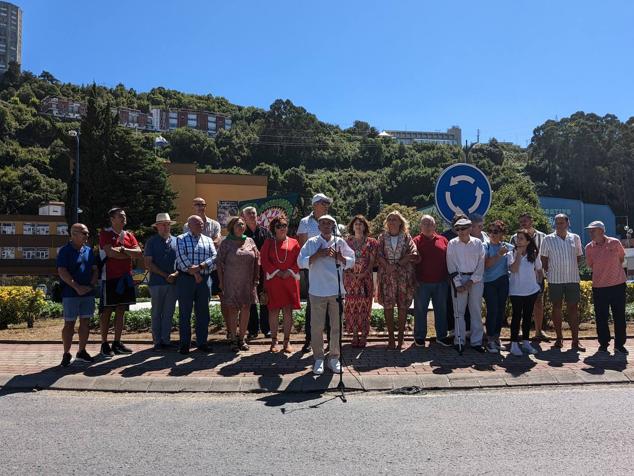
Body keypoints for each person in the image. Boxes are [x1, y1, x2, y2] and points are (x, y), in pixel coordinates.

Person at [298, 214, 355, 375]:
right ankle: (318, 359)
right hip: (316, 291)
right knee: (316, 327)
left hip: (336, 290)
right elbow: (300, 261)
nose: (325, 226)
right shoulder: (312, 242)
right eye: (323, 223)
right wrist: (317, 255)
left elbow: (351, 261)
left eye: (329, 223)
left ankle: (334, 358)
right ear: (318, 227)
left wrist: (339, 256)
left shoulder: (339, 242)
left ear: (333, 226)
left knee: (336, 327)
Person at [98, 207, 142, 357]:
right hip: (109, 277)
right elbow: (109, 253)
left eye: (124, 216)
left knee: (121, 310)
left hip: (125, 278)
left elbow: (138, 253)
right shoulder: (105, 233)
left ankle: (117, 342)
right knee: (107, 311)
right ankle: (104, 343)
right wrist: (127, 253)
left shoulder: (129, 235)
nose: (124, 218)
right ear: (112, 219)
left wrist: (121, 250)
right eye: (120, 216)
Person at [297, 193, 337, 353]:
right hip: (312, 270)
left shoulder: (333, 221)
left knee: (330, 304)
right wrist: (318, 254)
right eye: (323, 202)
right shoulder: (305, 222)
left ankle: (328, 340)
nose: (327, 205)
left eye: (328, 202)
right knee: (312, 306)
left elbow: (337, 242)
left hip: (330, 270)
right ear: (315, 204)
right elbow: (303, 248)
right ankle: (309, 339)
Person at [540, 213, 585, 351]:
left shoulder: (575, 238)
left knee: (573, 308)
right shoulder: (548, 239)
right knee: (556, 307)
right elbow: (543, 259)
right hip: (555, 279)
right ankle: (559, 339)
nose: (558, 225)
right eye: (556, 223)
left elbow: (579, 257)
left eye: (561, 222)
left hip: (572, 278)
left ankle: (575, 341)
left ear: (567, 223)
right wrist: (550, 273)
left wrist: (570, 268)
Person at [57, 223, 98, 367]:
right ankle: (66, 353)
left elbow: (95, 270)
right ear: (73, 234)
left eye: (87, 233)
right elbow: (62, 271)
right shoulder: (65, 251)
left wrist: (91, 286)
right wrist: (76, 287)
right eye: (84, 233)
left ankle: (81, 351)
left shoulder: (89, 250)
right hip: (70, 293)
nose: (87, 236)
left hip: (88, 293)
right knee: (69, 324)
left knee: (85, 323)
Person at [217, 216, 260, 352]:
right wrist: (221, 282)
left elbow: (257, 259)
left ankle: (242, 339)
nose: (241, 226)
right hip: (231, 282)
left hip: (247, 282)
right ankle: (233, 340)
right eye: (237, 225)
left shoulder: (250, 240)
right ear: (232, 227)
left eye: (242, 224)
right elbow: (219, 263)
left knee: (246, 309)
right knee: (233, 310)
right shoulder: (226, 243)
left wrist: (256, 278)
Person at [175, 215, 216, 355]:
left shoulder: (208, 240)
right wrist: (194, 273)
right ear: (189, 224)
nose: (201, 225)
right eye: (198, 223)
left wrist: (200, 267)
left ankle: (202, 342)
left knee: (203, 313)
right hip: (186, 280)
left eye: (202, 223)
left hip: (204, 280)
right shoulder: (181, 239)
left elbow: (215, 257)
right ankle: (184, 344)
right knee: (185, 313)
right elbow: (181, 258)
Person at [585, 221, 628, 354]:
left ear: (602, 231)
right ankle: (603, 343)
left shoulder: (615, 243)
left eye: (593, 230)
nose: (590, 233)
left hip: (618, 285)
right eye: (589, 231)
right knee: (601, 317)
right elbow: (591, 265)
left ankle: (619, 344)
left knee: (619, 316)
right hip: (599, 287)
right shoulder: (589, 247)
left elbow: (621, 258)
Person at [377, 211, 418, 350]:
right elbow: (378, 254)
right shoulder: (382, 237)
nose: (392, 222)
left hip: (403, 275)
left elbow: (413, 252)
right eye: (390, 219)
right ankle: (391, 339)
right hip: (387, 275)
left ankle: (400, 338)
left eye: (395, 219)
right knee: (388, 306)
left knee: (402, 306)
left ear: (400, 222)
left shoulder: (406, 237)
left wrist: (398, 264)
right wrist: (387, 266)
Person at [260, 215, 301, 353]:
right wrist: (277, 272)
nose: (282, 228)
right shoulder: (268, 243)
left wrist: (289, 271)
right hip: (274, 281)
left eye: (284, 225)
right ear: (274, 229)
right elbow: (264, 260)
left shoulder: (295, 242)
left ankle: (287, 342)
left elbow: (299, 260)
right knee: (273, 310)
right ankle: (274, 341)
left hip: (289, 280)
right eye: (279, 226)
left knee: (288, 310)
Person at [446, 217, 486, 352]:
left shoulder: (478, 243)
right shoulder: (452, 243)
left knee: (475, 311)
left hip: (475, 281)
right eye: (457, 229)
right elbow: (450, 265)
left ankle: (476, 342)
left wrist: (470, 282)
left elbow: (481, 265)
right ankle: (459, 341)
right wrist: (458, 284)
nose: (460, 231)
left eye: (463, 228)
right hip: (458, 279)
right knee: (459, 312)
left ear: (470, 228)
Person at [412, 215, 453, 348]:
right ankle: (419, 337)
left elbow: (450, 259)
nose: (428, 226)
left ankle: (441, 336)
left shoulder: (444, 240)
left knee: (441, 310)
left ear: (435, 226)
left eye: (430, 224)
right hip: (421, 283)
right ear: (421, 226)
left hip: (441, 282)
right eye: (425, 224)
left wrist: (448, 277)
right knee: (420, 310)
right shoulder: (415, 241)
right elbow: (411, 262)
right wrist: (413, 279)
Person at [510, 213, 549, 341]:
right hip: (519, 279)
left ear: (532, 221)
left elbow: (544, 257)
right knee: (519, 308)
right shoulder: (514, 238)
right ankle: (520, 332)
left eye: (525, 221)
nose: (523, 223)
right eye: (521, 221)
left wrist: (542, 277)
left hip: (536, 277)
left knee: (538, 303)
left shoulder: (543, 236)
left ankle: (539, 331)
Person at [144, 213, 179, 351]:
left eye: (168, 224)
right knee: (157, 313)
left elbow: (181, 262)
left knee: (169, 313)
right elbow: (148, 264)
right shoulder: (151, 242)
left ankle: (166, 340)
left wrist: (175, 274)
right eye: (163, 224)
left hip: (173, 283)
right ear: (157, 226)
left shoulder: (177, 241)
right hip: (157, 283)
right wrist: (165, 275)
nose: (166, 227)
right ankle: (157, 341)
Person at [343, 215, 378, 348]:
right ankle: (354, 335)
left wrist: (364, 273)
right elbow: (343, 259)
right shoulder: (346, 242)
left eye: (361, 224)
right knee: (351, 308)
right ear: (352, 226)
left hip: (365, 279)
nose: (358, 226)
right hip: (350, 279)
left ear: (365, 226)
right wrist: (351, 273)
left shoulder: (372, 242)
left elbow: (372, 261)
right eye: (356, 224)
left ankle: (364, 335)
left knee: (365, 308)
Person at [507, 230, 541, 356]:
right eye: (517, 238)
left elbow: (539, 270)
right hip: (516, 291)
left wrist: (539, 285)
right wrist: (519, 256)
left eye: (521, 238)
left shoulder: (534, 254)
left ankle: (526, 342)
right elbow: (514, 269)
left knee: (527, 316)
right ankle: (514, 344)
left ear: (528, 241)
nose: (518, 240)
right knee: (516, 316)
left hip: (531, 291)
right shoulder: (511, 253)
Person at [242, 206, 272, 340]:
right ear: (244, 217)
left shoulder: (265, 232)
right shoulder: (241, 233)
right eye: (249, 214)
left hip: (264, 271)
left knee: (265, 299)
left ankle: (267, 329)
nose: (252, 215)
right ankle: (252, 330)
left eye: (254, 213)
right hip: (248, 272)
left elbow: (272, 249)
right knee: (251, 301)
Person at [483, 220, 512, 353]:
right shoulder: (485, 246)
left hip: (503, 281)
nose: (492, 234)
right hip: (489, 282)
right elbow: (486, 264)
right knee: (492, 310)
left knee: (500, 311)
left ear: (502, 234)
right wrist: (499, 254)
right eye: (491, 231)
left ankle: (496, 337)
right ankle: (489, 340)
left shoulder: (508, 246)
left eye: (496, 232)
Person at [185, 197, 221, 295]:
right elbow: (187, 244)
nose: (201, 207)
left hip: (213, 266)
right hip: (194, 267)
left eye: (203, 205)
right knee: (193, 297)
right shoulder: (187, 225)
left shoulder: (215, 224)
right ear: (193, 207)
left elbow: (217, 241)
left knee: (217, 294)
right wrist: (208, 245)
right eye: (198, 205)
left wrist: (200, 246)